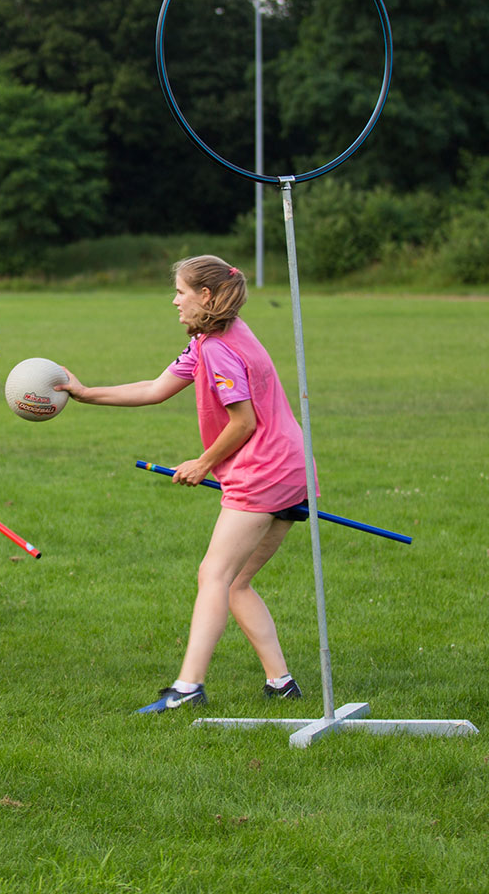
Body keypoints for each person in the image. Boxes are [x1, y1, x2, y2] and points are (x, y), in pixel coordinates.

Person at [57, 255, 308, 713]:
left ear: (205, 296)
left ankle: (188, 689)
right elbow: (155, 389)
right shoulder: (217, 336)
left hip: (262, 471)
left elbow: (244, 421)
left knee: (214, 575)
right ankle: (281, 683)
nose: (174, 300)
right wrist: (85, 393)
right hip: (290, 465)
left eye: (181, 292)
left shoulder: (216, 348)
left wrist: (204, 462)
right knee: (236, 583)